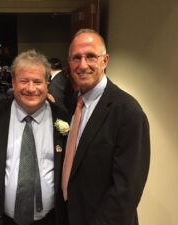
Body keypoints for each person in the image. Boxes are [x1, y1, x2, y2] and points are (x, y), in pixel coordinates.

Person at [62, 28, 150, 225]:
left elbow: (126, 190)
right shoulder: (72, 104)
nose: (82, 65)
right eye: (76, 58)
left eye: (91, 56)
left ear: (105, 60)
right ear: (69, 63)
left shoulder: (128, 112)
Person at [0, 49, 68, 225]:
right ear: (13, 82)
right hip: (3, 219)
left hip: (50, 219)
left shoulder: (63, 118)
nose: (31, 88)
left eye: (38, 81)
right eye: (24, 81)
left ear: (47, 83)